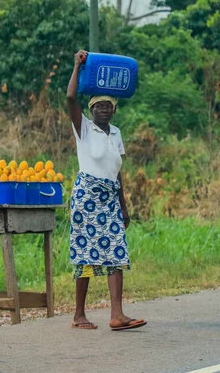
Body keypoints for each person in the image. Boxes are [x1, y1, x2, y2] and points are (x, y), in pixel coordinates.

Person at [66, 49, 147, 331]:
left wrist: (123, 206)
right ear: (91, 110)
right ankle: (78, 315)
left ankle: (117, 315)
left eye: (107, 105)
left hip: (110, 198)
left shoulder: (116, 134)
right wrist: (77, 66)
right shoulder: (84, 130)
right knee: (86, 254)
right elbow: (70, 98)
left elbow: (118, 171)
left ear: (114, 109)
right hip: (87, 197)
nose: (103, 109)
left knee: (117, 251)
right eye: (98, 105)